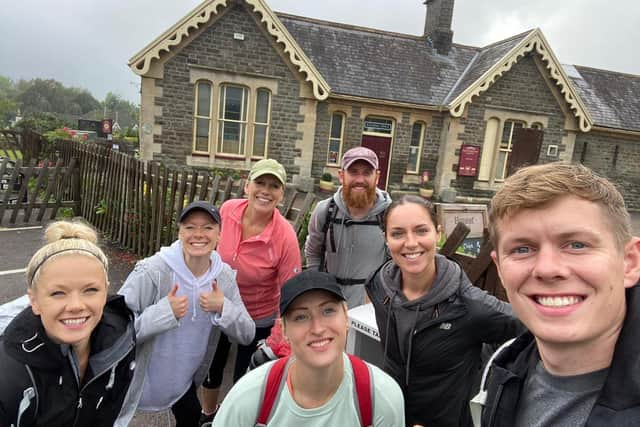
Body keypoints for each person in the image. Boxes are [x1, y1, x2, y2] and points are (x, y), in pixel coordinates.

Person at [477, 162, 640, 426]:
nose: (547, 269)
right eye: (522, 249)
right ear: (501, 271)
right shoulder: (504, 366)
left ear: (629, 262)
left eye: (576, 245)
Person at [365, 195, 523, 427]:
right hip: (393, 415)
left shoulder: (469, 305)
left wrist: (491, 380)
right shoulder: (379, 285)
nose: (410, 243)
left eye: (421, 231)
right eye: (398, 233)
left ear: (438, 233)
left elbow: (529, 326)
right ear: (386, 239)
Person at [116, 201, 255, 427]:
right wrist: (161, 313)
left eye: (208, 227)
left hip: (183, 389)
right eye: (190, 227)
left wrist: (223, 308)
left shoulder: (224, 278)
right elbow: (114, 333)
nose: (198, 234)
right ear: (179, 232)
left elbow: (247, 334)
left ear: (219, 234)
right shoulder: (153, 272)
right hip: (135, 392)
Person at [212, 270, 405, 426]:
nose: (318, 328)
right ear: (284, 329)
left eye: (328, 311)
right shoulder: (248, 400)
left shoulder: (380, 398)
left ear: (346, 317)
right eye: (301, 317)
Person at [0, 220, 136, 426]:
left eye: (90, 290)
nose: (75, 305)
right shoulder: (8, 373)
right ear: (34, 301)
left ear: (106, 292)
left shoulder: (120, 339)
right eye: (58, 293)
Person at [199, 159, 302, 424]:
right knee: (212, 367)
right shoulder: (228, 210)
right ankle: (208, 416)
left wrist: (281, 335)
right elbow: (207, 249)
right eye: (260, 183)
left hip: (258, 318)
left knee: (246, 380)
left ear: (281, 194)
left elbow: (291, 292)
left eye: (274, 186)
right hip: (219, 308)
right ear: (247, 186)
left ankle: (236, 420)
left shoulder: (285, 236)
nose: (265, 190)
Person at [305, 146, 391, 308]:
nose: (360, 179)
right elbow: (313, 251)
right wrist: (316, 287)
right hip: (330, 301)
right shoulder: (325, 211)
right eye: (353, 172)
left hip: (371, 305)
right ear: (341, 175)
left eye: (367, 173)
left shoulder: (390, 215)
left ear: (377, 177)